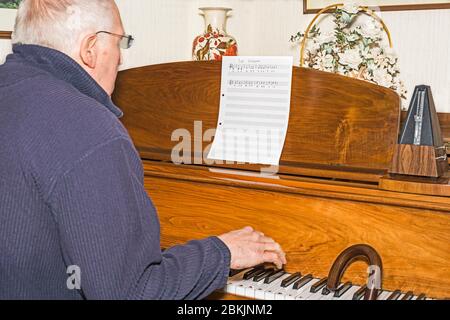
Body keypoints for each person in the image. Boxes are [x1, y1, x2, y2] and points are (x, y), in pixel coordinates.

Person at [0, 0, 286, 300]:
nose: (121, 59)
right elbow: (132, 292)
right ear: (90, 48)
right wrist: (223, 252)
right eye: (119, 42)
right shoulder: (89, 128)